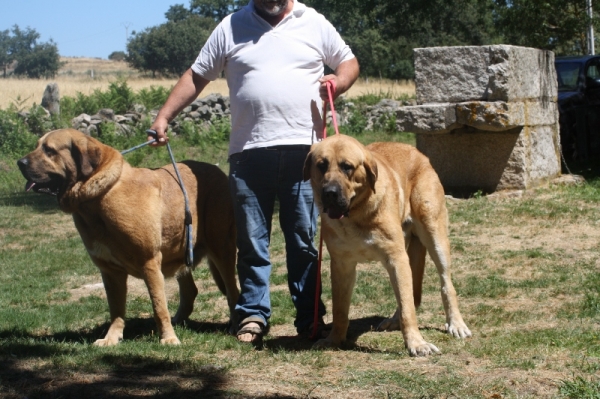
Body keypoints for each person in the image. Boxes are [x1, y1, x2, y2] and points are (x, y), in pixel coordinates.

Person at [149, 0, 359, 344]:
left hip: (305, 156)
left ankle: (309, 319)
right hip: (248, 154)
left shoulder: (313, 21)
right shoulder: (231, 26)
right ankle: (252, 316)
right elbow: (197, 74)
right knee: (250, 242)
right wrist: (163, 117)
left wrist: (340, 80)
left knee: (303, 242)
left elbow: (348, 62)